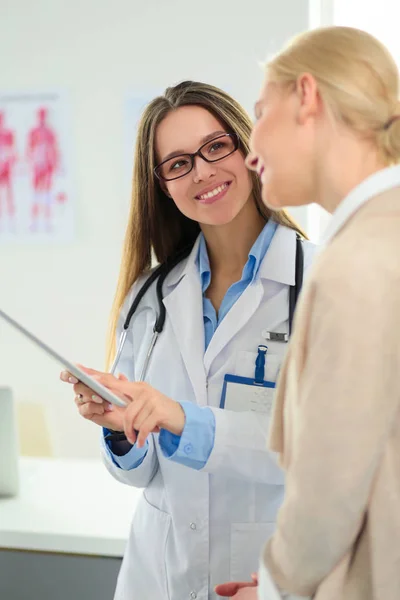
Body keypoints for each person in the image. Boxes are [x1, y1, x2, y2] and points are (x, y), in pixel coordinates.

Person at [60, 80, 315, 600]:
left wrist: (178, 417)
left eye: (216, 147)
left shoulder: (323, 283)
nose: (202, 171)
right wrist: (123, 430)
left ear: (247, 149)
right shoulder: (149, 298)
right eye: (177, 164)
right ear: (162, 186)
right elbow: (144, 474)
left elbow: (321, 451)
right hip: (158, 576)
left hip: (264, 573)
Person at [217, 25, 400, 600]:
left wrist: (274, 588)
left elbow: (332, 486)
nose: (251, 152)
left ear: (308, 97)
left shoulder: (358, 263)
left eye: (261, 113)